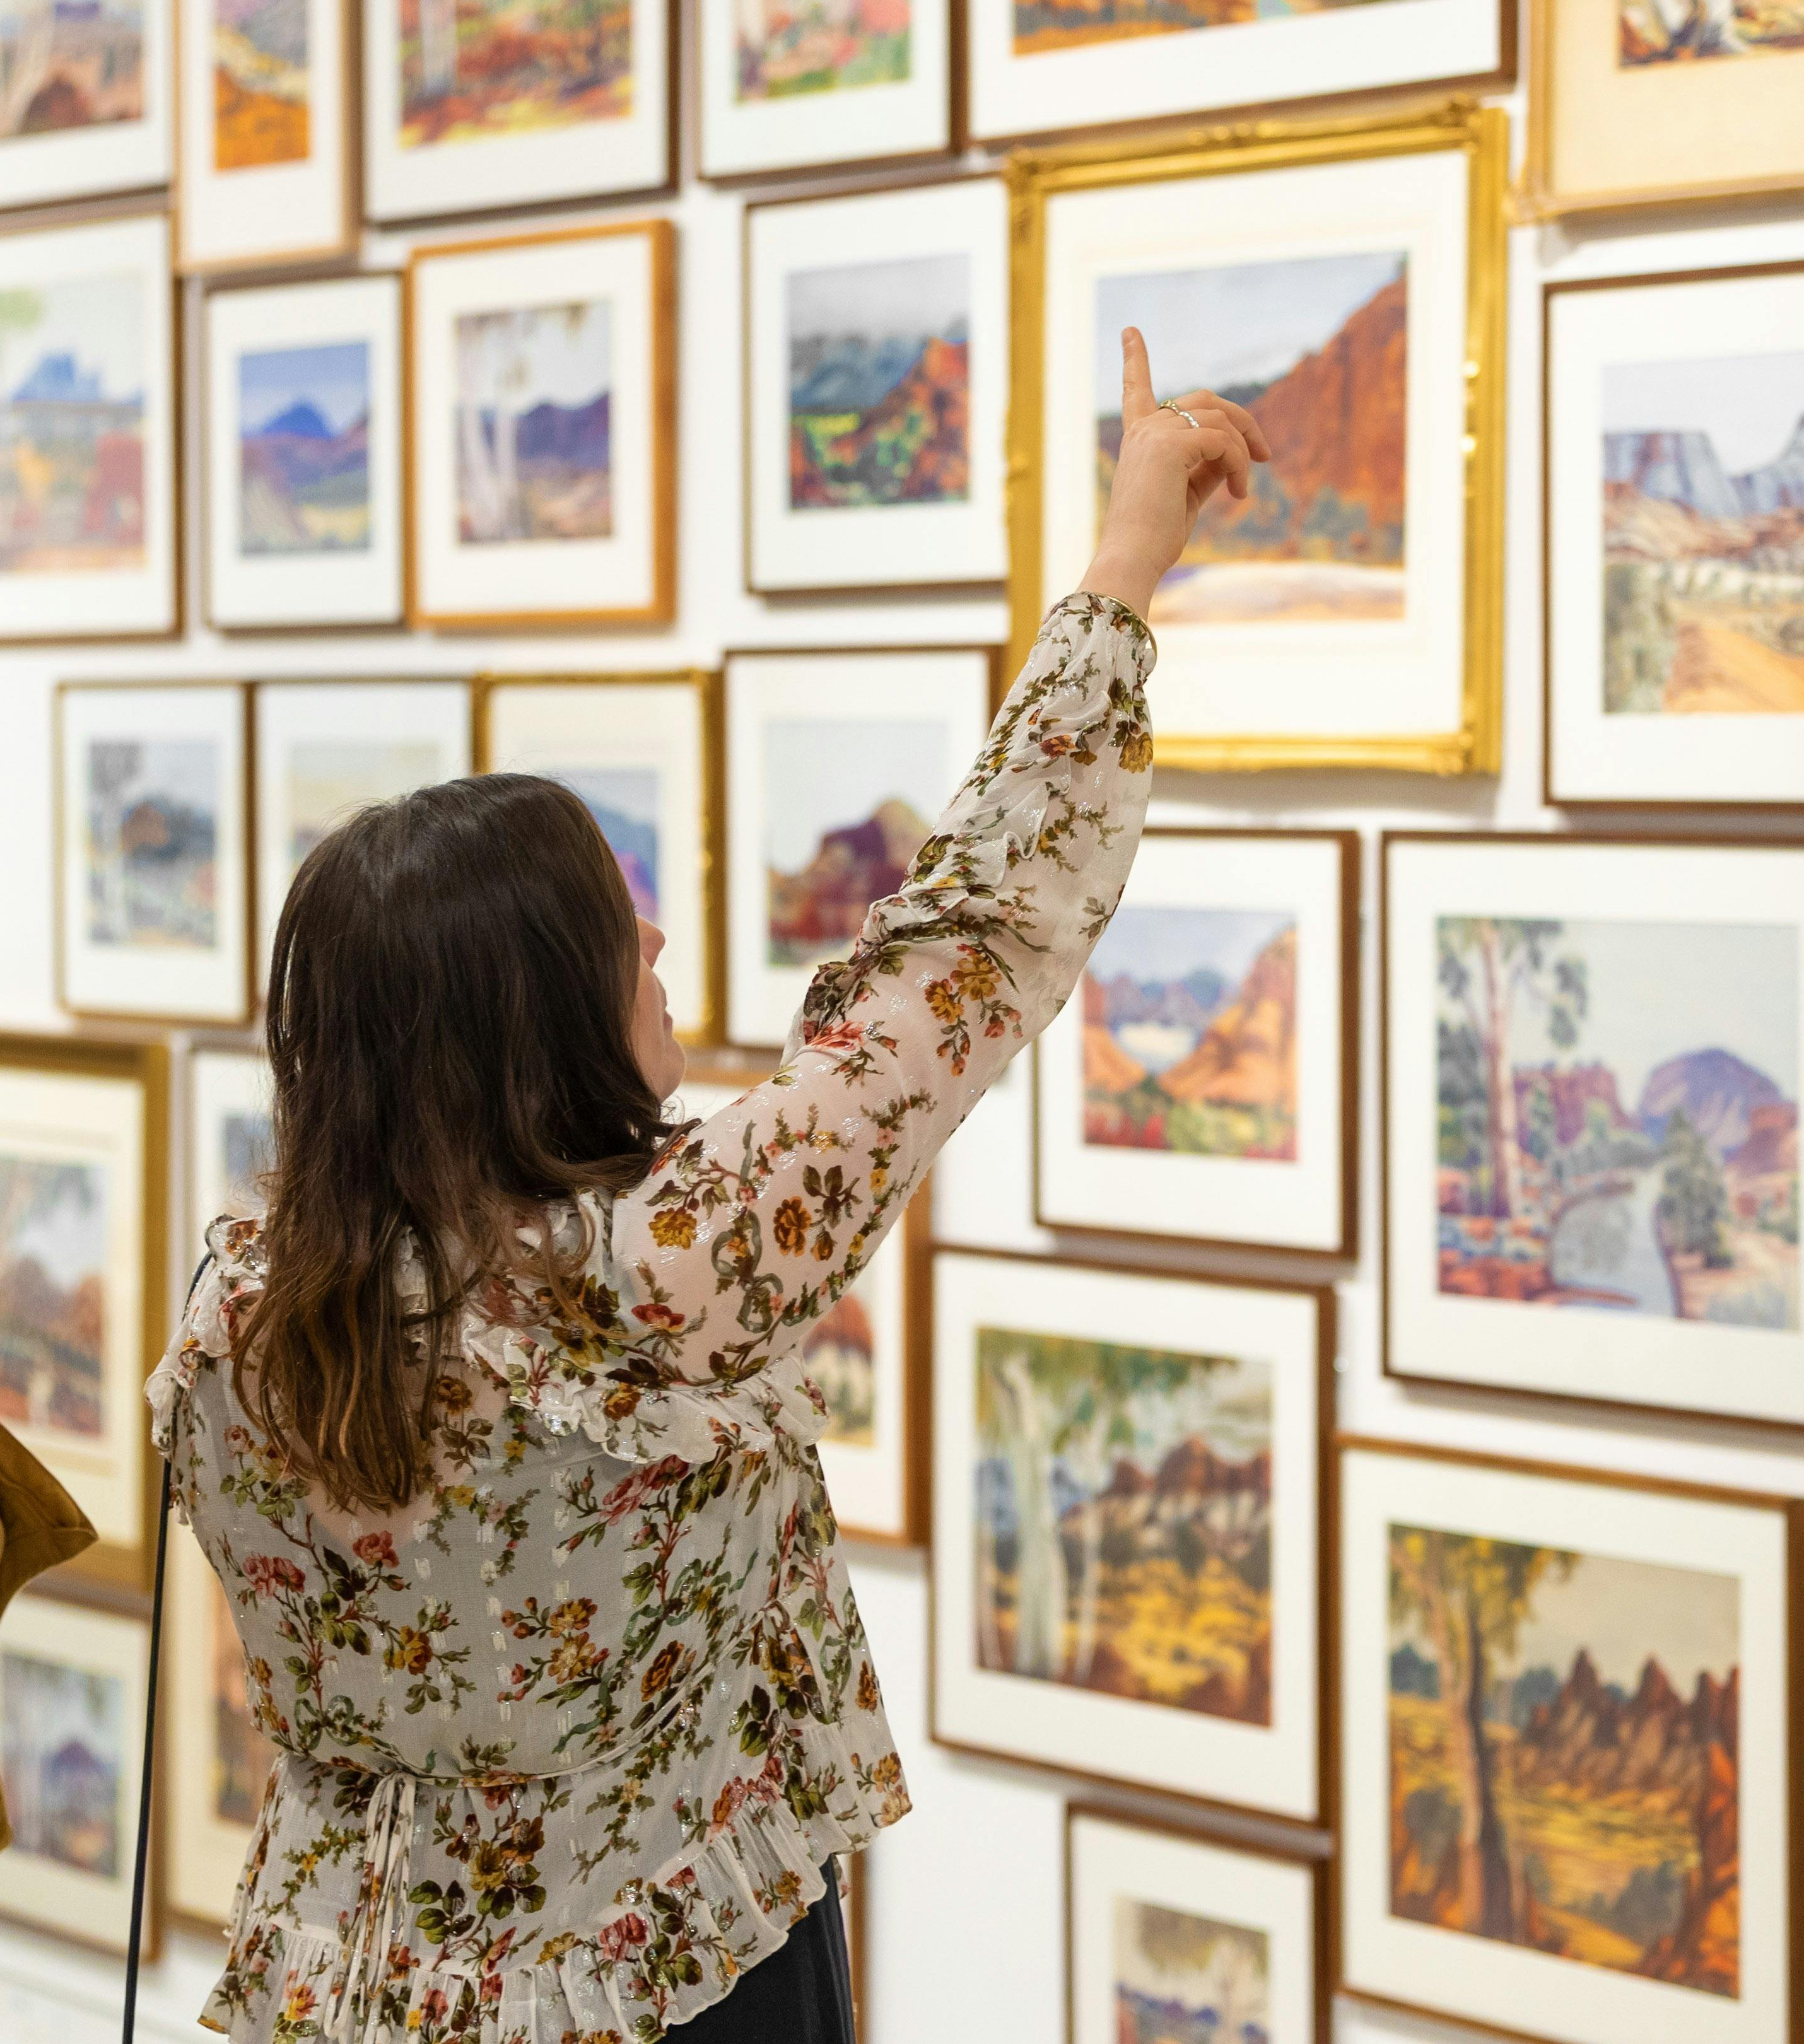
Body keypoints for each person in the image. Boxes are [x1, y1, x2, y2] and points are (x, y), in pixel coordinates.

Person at [147, 332, 1268, 2043]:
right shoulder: (666, 1263)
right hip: (673, 1982)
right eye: (619, 925)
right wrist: (1123, 562)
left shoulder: (244, 1304)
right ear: (535, 1013)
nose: (658, 937)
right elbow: (967, 943)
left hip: (357, 1988)